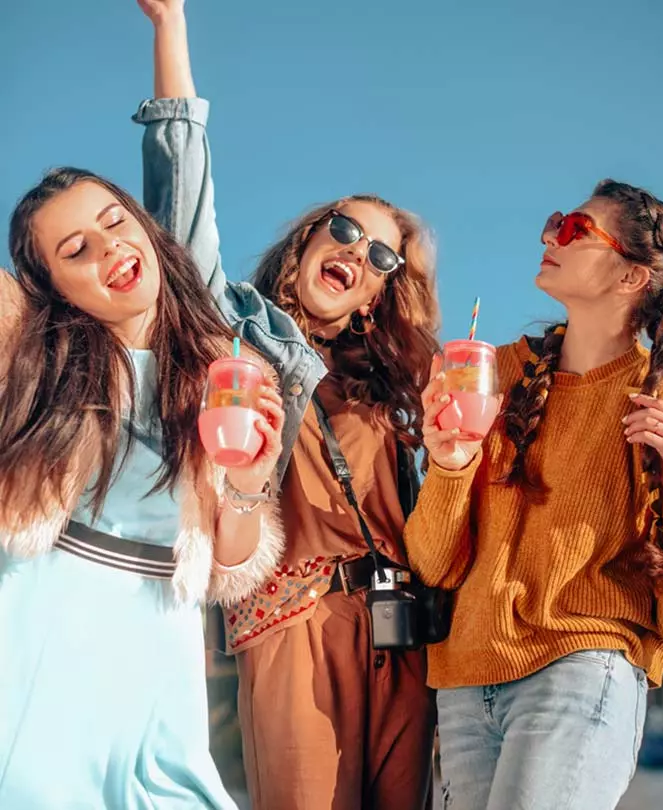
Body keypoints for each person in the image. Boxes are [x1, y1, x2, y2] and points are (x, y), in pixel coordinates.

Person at [134, 2, 441, 806]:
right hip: (289, 624)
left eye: (380, 255)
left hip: (404, 637)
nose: (355, 250)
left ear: (378, 294)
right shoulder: (237, 331)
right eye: (343, 228)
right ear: (306, 239)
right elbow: (178, 217)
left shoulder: (391, 388)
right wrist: (171, 32)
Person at [406, 180, 663, 810]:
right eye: (556, 223)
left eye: (575, 230)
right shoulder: (491, 375)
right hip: (465, 680)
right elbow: (434, 564)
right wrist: (449, 461)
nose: (551, 237)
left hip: (583, 669)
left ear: (631, 277)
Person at [0, 166, 287, 809]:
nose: (108, 249)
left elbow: (229, 565)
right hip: (39, 620)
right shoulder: (32, 357)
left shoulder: (223, 375)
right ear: (53, 288)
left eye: (114, 222)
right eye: (75, 250)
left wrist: (247, 480)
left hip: (160, 637)